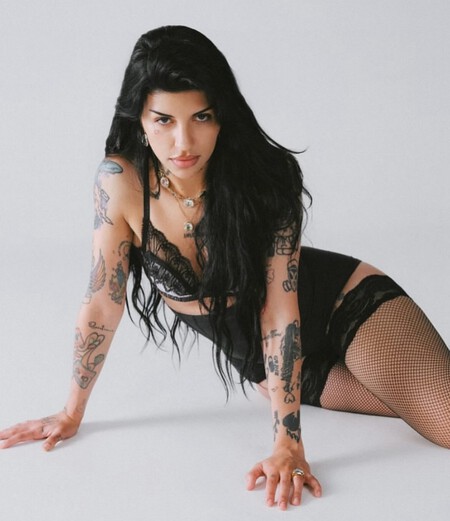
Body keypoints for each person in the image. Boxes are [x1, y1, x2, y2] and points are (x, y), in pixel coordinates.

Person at [1, 25, 449, 510]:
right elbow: (101, 302)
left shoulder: (267, 177)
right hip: (267, 366)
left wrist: (287, 444)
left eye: (202, 117)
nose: (183, 142)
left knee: (445, 422)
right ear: (139, 119)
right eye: (163, 120)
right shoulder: (121, 182)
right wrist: (71, 412)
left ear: (222, 115)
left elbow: (279, 312)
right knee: (415, 408)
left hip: (344, 307)